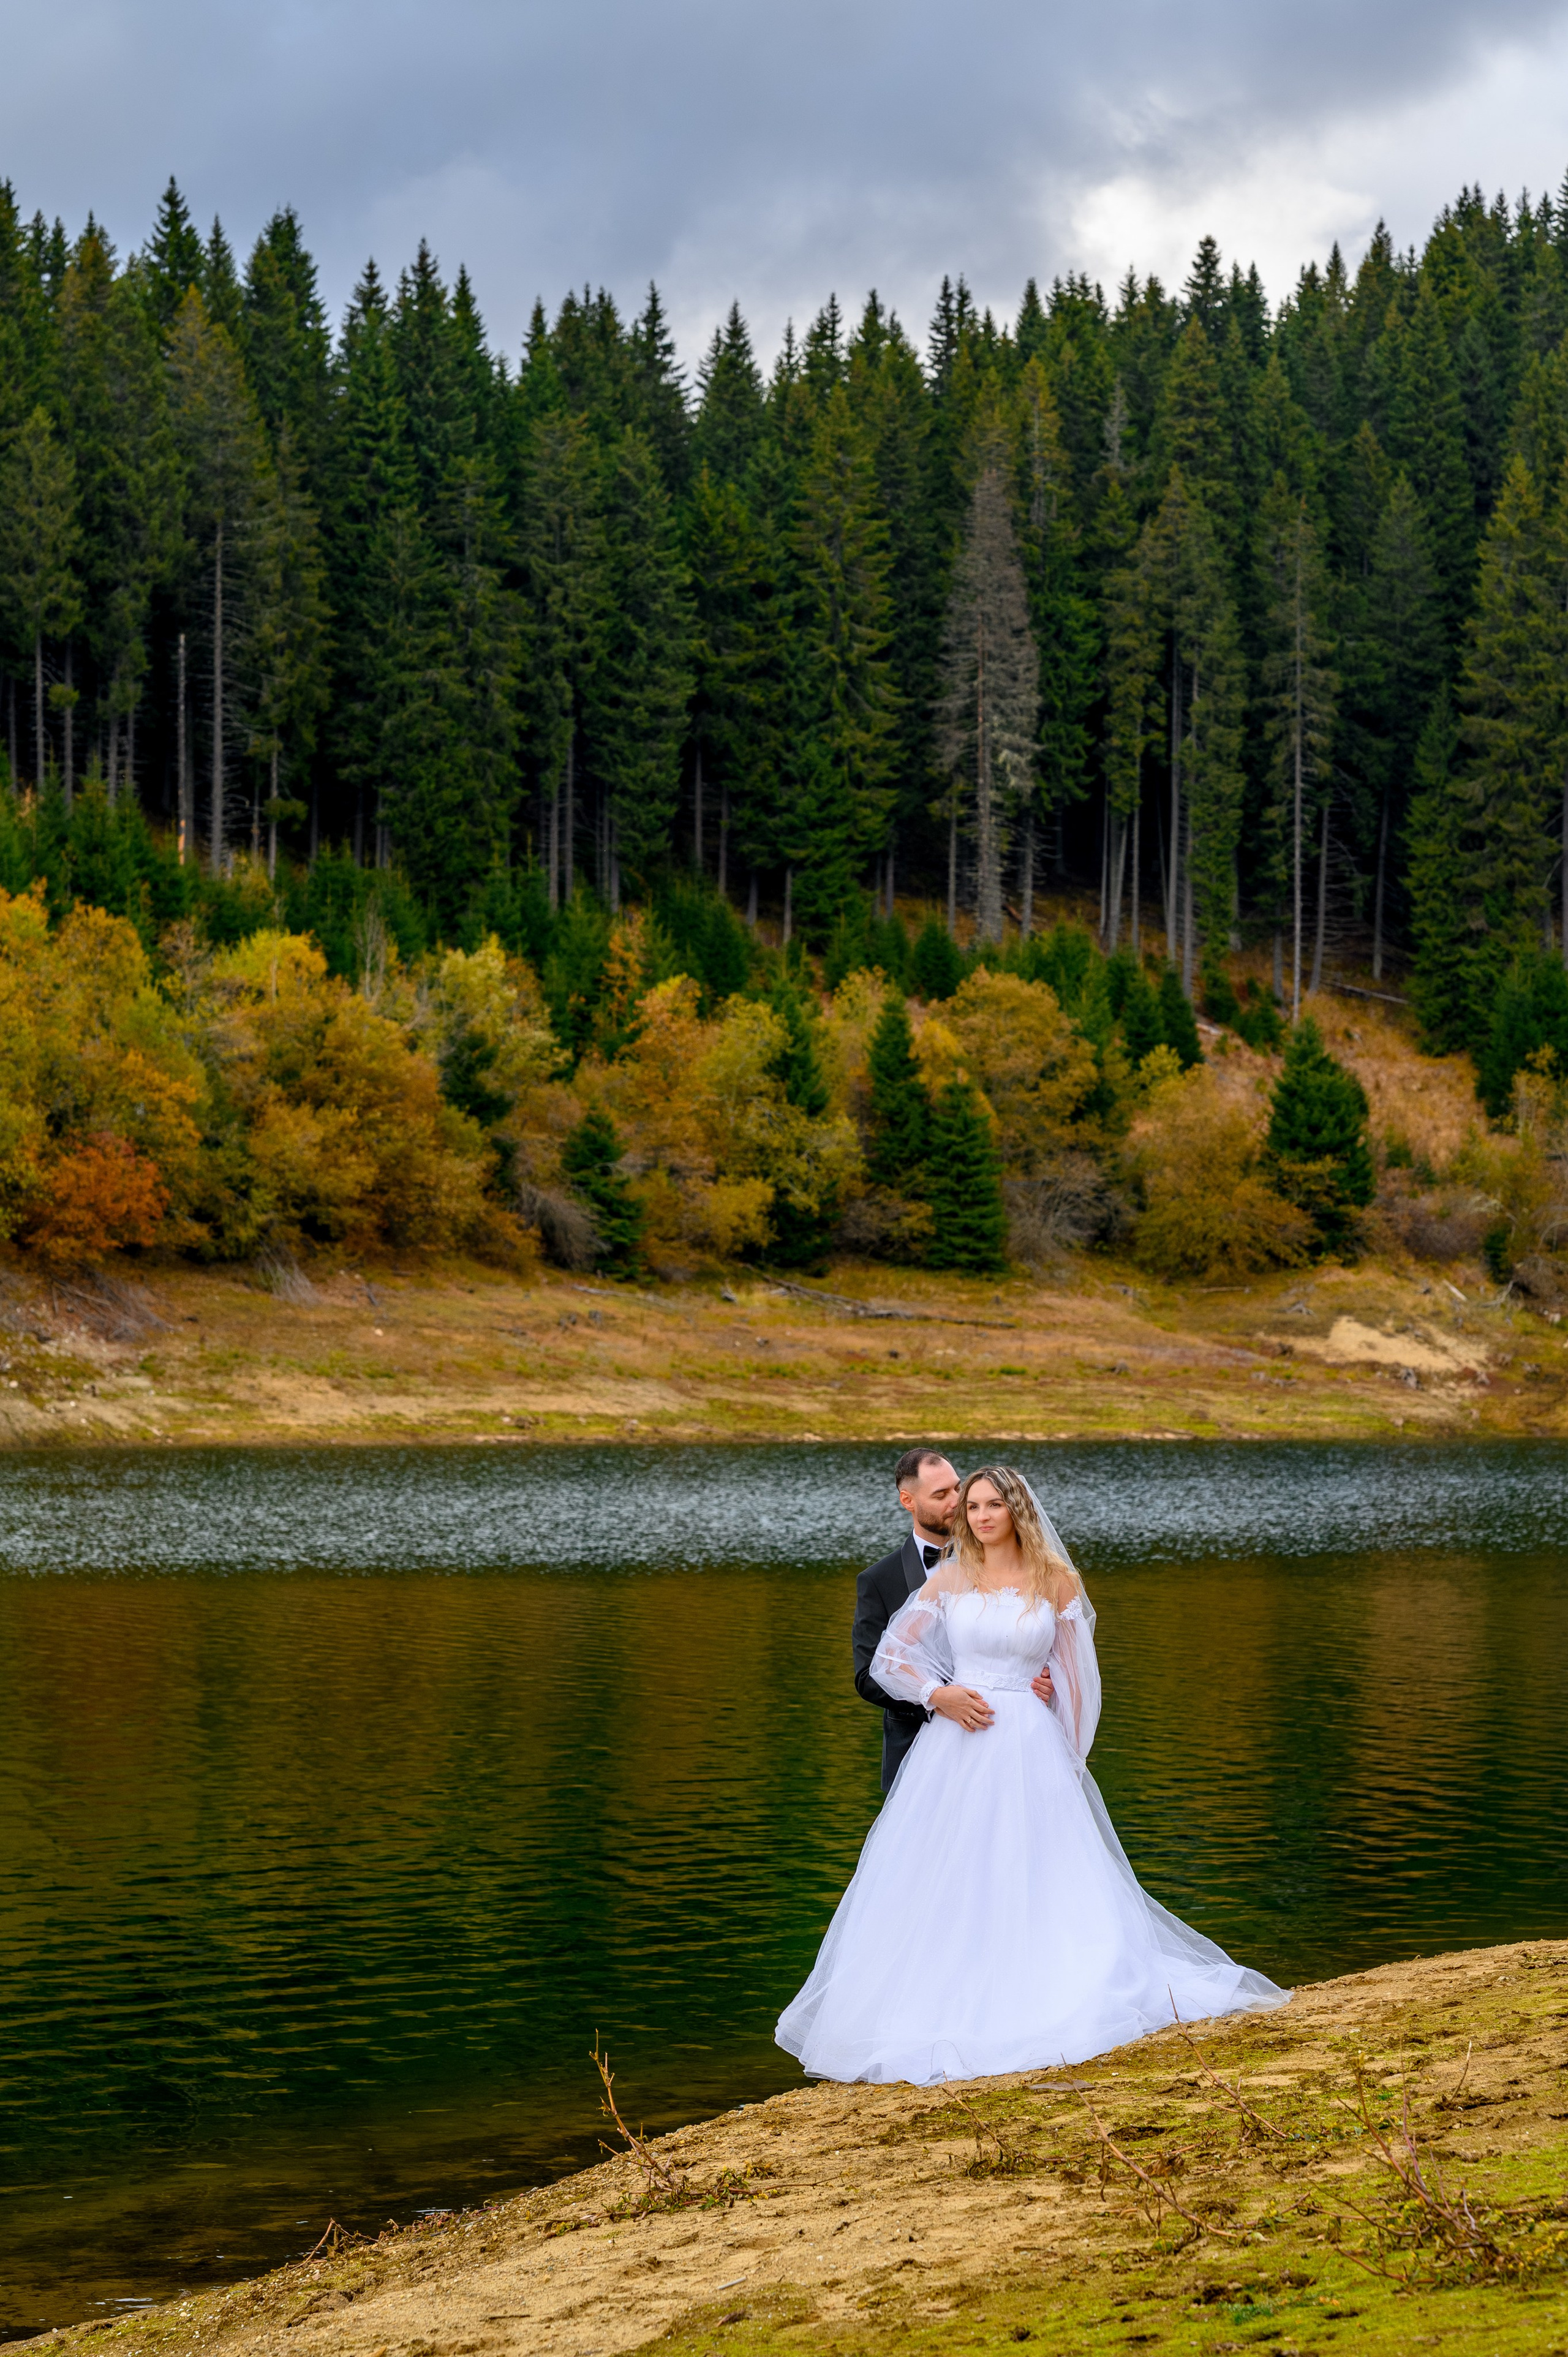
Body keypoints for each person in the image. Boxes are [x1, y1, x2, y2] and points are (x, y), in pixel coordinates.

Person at [781, 1465, 1287, 2083]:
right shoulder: (950, 1576)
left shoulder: (1055, 1580)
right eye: (972, 1506)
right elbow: (891, 1658)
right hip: (958, 1745)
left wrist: (1068, 1759)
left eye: (994, 1504)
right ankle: (945, 1994)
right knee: (954, 1869)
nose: (982, 1516)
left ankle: (1052, 1984)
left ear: (1018, 1509)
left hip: (1029, 1743)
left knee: (1037, 1867)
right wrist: (940, 1694)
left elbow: (1077, 1681)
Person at [852, 1448, 1054, 1793]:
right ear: (908, 1500)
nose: (957, 1502)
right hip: (919, 1751)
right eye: (941, 1495)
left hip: (1016, 1742)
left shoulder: (1018, 1563)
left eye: (958, 1489)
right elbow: (868, 1674)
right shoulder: (879, 1580)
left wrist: (1048, 1683)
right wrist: (938, 1699)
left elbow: (1037, 1643)